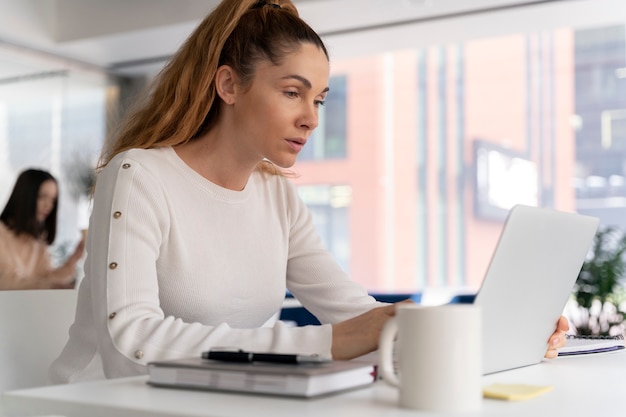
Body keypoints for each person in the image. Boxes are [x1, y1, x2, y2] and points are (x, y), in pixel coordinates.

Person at [49, 0, 568, 383]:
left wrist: (479, 337)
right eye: (292, 92)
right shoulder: (138, 176)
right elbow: (131, 346)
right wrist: (327, 343)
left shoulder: (276, 197)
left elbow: (355, 316)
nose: (311, 118)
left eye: (318, 99)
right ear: (228, 86)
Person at [0, 169, 85, 290]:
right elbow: (5, 282)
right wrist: (48, 285)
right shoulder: (2, 233)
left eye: (52, 200)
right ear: (24, 195)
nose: (48, 205)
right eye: (42, 197)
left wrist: (74, 258)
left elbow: (45, 277)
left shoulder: (37, 241)